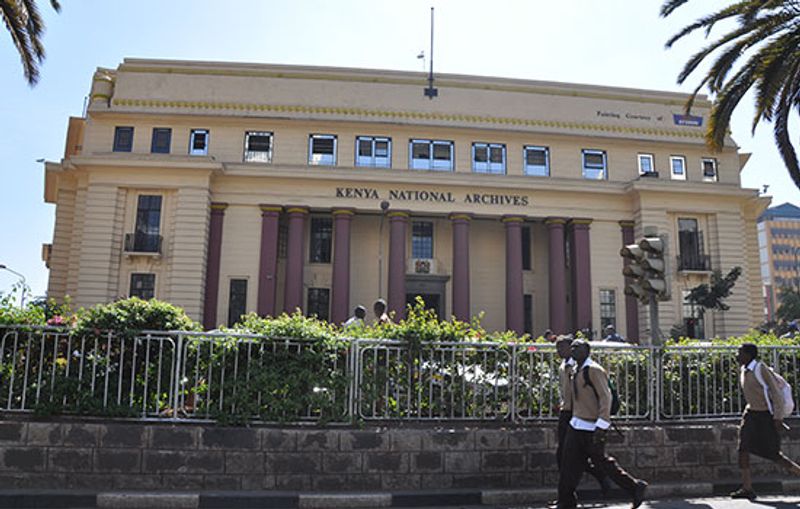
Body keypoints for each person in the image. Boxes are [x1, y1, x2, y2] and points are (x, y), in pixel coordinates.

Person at [556, 339, 647, 509]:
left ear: (587, 351)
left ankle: (635, 487)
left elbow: (606, 397)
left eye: (578, 348)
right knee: (568, 462)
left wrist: (602, 425)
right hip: (576, 424)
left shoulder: (594, 370)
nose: (574, 350)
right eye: (573, 347)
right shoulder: (576, 370)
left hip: (592, 426)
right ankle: (565, 501)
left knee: (602, 462)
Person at [730, 343, 800, 500]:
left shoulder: (761, 369)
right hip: (750, 414)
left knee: (774, 455)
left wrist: (778, 417)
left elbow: (776, 393)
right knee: (743, 449)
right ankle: (747, 488)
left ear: (748, 355)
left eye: (740, 352)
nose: (737, 355)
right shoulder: (744, 370)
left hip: (765, 416)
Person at [554, 336, 609, 496]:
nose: (559, 351)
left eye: (562, 347)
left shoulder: (579, 368)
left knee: (571, 455)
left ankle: (569, 495)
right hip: (567, 412)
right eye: (558, 348)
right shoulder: (564, 366)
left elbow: (602, 396)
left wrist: (602, 420)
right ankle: (568, 495)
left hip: (576, 414)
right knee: (564, 455)